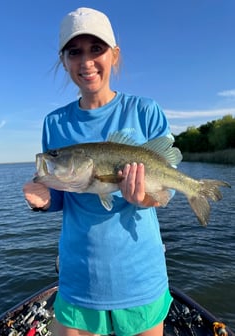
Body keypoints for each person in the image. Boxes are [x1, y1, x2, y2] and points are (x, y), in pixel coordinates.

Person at [23, 7, 174, 336]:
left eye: (97, 49)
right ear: (63, 60)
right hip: (79, 278)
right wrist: (45, 200)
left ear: (114, 55)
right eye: (74, 52)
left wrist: (145, 197)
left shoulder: (145, 111)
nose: (86, 61)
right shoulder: (55, 123)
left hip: (139, 277)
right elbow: (65, 195)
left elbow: (167, 189)